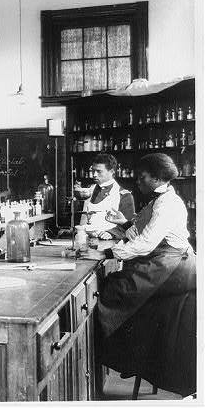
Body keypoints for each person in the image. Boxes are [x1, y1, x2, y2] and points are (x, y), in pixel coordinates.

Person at [97, 153, 196, 396]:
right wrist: (126, 224)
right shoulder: (158, 200)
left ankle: (124, 357)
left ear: (157, 178)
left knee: (113, 293)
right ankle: (129, 357)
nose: (138, 183)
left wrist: (107, 253)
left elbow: (145, 244)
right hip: (163, 261)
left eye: (142, 178)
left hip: (175, 267)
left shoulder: (167, 204)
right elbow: (142, 236)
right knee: (115, 286)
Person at [73, 153, 135, 239]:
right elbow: (80, 217)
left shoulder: (124, 195)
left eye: (99, 171)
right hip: (82, 238)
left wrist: (112, 233)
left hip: (106, 241)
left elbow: (128, 226)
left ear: (112, 172)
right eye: (93, 171)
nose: (94, 175)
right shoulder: (87, 190)